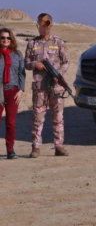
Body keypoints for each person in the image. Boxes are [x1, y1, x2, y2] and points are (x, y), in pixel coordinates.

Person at [25, 13, 70, 158]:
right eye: (39, 23)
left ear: (50, 25)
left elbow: (66, 62)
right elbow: (26, 63)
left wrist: (59, 74)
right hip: (40, 87)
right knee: (38, 118)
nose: (41, 26)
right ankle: (36, 147)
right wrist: (35, 64)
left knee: (58, 117)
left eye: (44, 23)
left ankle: (59, 146)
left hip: (56, 87)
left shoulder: (58, 42)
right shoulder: (32, 44)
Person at [0, 28, 25, 159]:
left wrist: (21, 90)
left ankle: (10, 150)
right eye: (3, 37)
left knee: (10, 122)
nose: (6, 40)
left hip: (13, 91)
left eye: (8, 38)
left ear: (12, 39)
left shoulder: (17, 54)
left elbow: (22, 73)